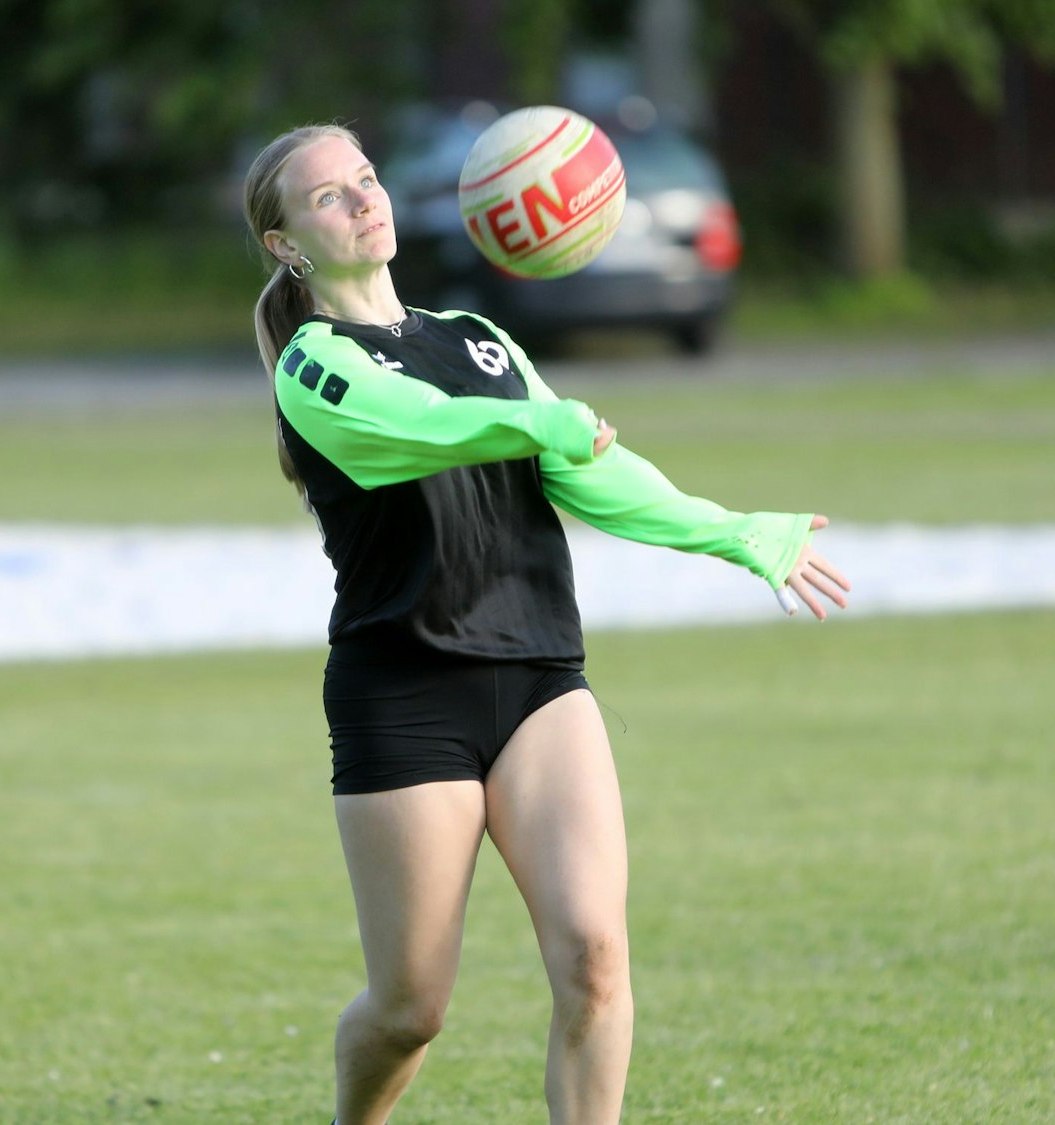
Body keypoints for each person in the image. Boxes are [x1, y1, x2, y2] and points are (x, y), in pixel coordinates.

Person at [242, 123, 851, 1125]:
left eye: (366, 178)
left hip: (537, 678)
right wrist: (539, 419)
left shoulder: (477, 337)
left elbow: (593, 472)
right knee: (410, 1009)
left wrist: (736, 530)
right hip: (405, 691)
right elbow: (417, 427)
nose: (363, 200)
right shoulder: (313, 365)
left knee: (594, 957)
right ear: (286, 244)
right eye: (327, 197)